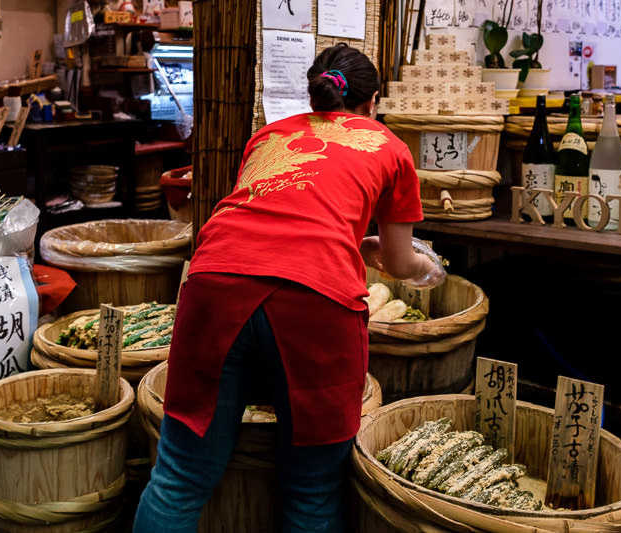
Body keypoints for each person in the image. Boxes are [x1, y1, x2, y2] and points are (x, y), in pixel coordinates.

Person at [133, 43, 445, 533]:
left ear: (315, 93)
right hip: (315, 301)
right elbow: (402, 262)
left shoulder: (270, 135)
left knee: (179, 477)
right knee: (312, 492)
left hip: (214, 282)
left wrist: (350, 246)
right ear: (373, 100)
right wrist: (426, 268)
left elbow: (270, 222)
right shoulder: (389, 146)